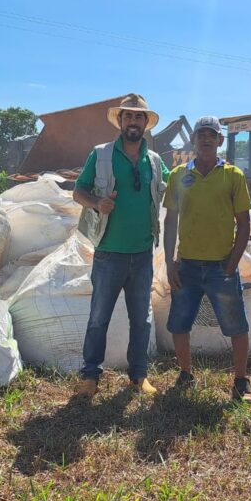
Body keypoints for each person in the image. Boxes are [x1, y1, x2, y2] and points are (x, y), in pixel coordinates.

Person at [72, 93, 169, 398]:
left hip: (142, 253)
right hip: (109, 253)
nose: (133, 122)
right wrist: (96, 203)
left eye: (139, 117)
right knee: (99, 317)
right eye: (128, 116)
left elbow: (173, 185)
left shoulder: (154, 160)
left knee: (141, 319)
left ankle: (138, 377)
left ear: (145, 123)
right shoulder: (100, 155)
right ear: (120, 121)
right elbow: (78, 191)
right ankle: (90, 376)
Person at [163, 116, 251, 403]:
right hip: (187, 265)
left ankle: (241, 380)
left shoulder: (233, 175)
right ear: (193, 140)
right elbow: (170, 221)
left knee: (236, 325)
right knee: (179, 323)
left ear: (220, 141)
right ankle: (186, 373)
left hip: (221, 266)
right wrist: (169, 262)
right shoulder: (179, 175)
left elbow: (244, 224)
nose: (205, 139)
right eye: (201, 134)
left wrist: (232, 263)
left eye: (211, 135)